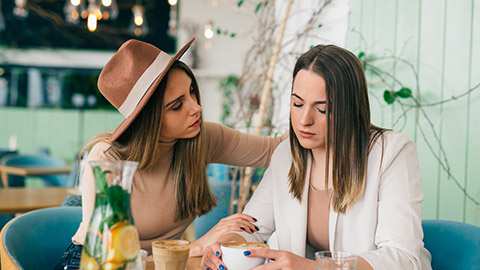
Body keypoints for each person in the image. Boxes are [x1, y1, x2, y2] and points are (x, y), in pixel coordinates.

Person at [55, 37, 284, 269]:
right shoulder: (107, 158)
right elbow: (112, 259)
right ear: (148, 119)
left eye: (192, 92)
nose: (196, 108)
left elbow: (276, 149)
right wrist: (195, 246)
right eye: (177, 105)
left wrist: (313, 110)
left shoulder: (201, 138)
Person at [201, 44, 432, 270]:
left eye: (322, 109)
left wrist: (314, 267)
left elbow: (403, 259)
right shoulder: (286, 156)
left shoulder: (391, 152)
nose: (304, 120)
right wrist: (226, 246)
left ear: (349, 109)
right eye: (297, 103)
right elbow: (251, 226)